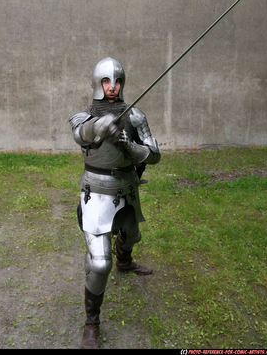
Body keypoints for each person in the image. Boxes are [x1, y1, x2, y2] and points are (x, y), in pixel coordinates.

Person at [68, 57, 161, 348]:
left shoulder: (135, 117)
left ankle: (126, 260)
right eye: (106, 81)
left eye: (117, 81)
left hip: (127, 190)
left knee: (132, 235)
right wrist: (100, 127)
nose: (112, 87)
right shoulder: (83, 116)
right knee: (99, 263)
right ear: (98, 83)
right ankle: (92, 322)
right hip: (95, 193)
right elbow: (79, 134)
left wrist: (129, 146)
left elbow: (154, 154)